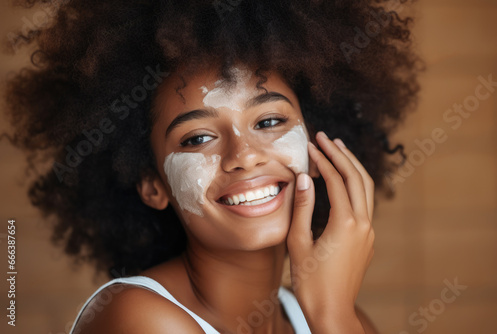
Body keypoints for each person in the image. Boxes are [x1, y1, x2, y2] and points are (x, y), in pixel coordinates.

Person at [3, 0, 420, 333]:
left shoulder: (340, 317)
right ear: (153, 184)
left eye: (270, 121)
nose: (245, 155)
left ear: (314, 146)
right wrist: (332, 319)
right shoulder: (139, 320)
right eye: (198, 138)